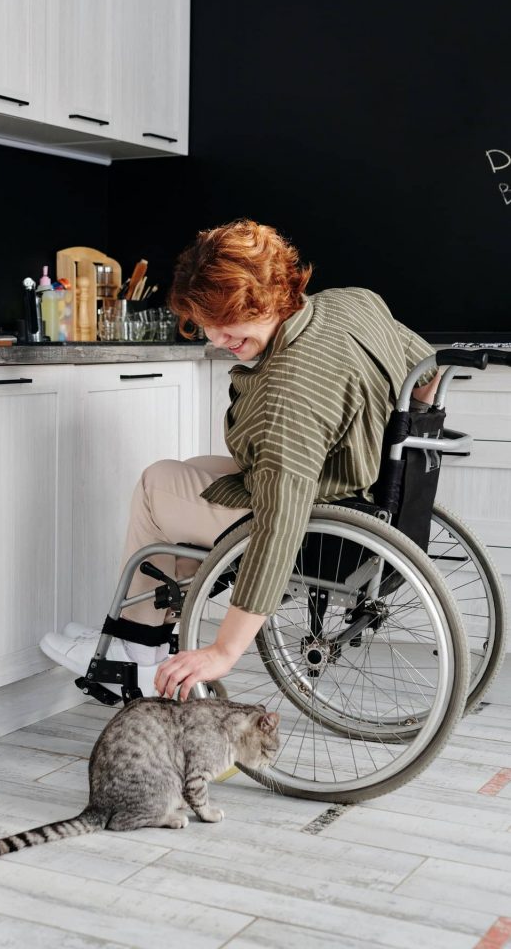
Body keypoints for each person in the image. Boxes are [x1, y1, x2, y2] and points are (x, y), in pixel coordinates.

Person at [40, 219, 438, 701]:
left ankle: (138, 653)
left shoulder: (288, 394)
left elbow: (279, 526)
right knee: (185, 473)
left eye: (223, 320)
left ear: (264, 300)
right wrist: (389, 444)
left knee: (156, 487)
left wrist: (223, 652)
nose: (214, 336)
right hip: (373, 493)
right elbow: (426, 371)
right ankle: (137, 637)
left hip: (321, 524)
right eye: (206, 321)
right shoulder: (354, 302)